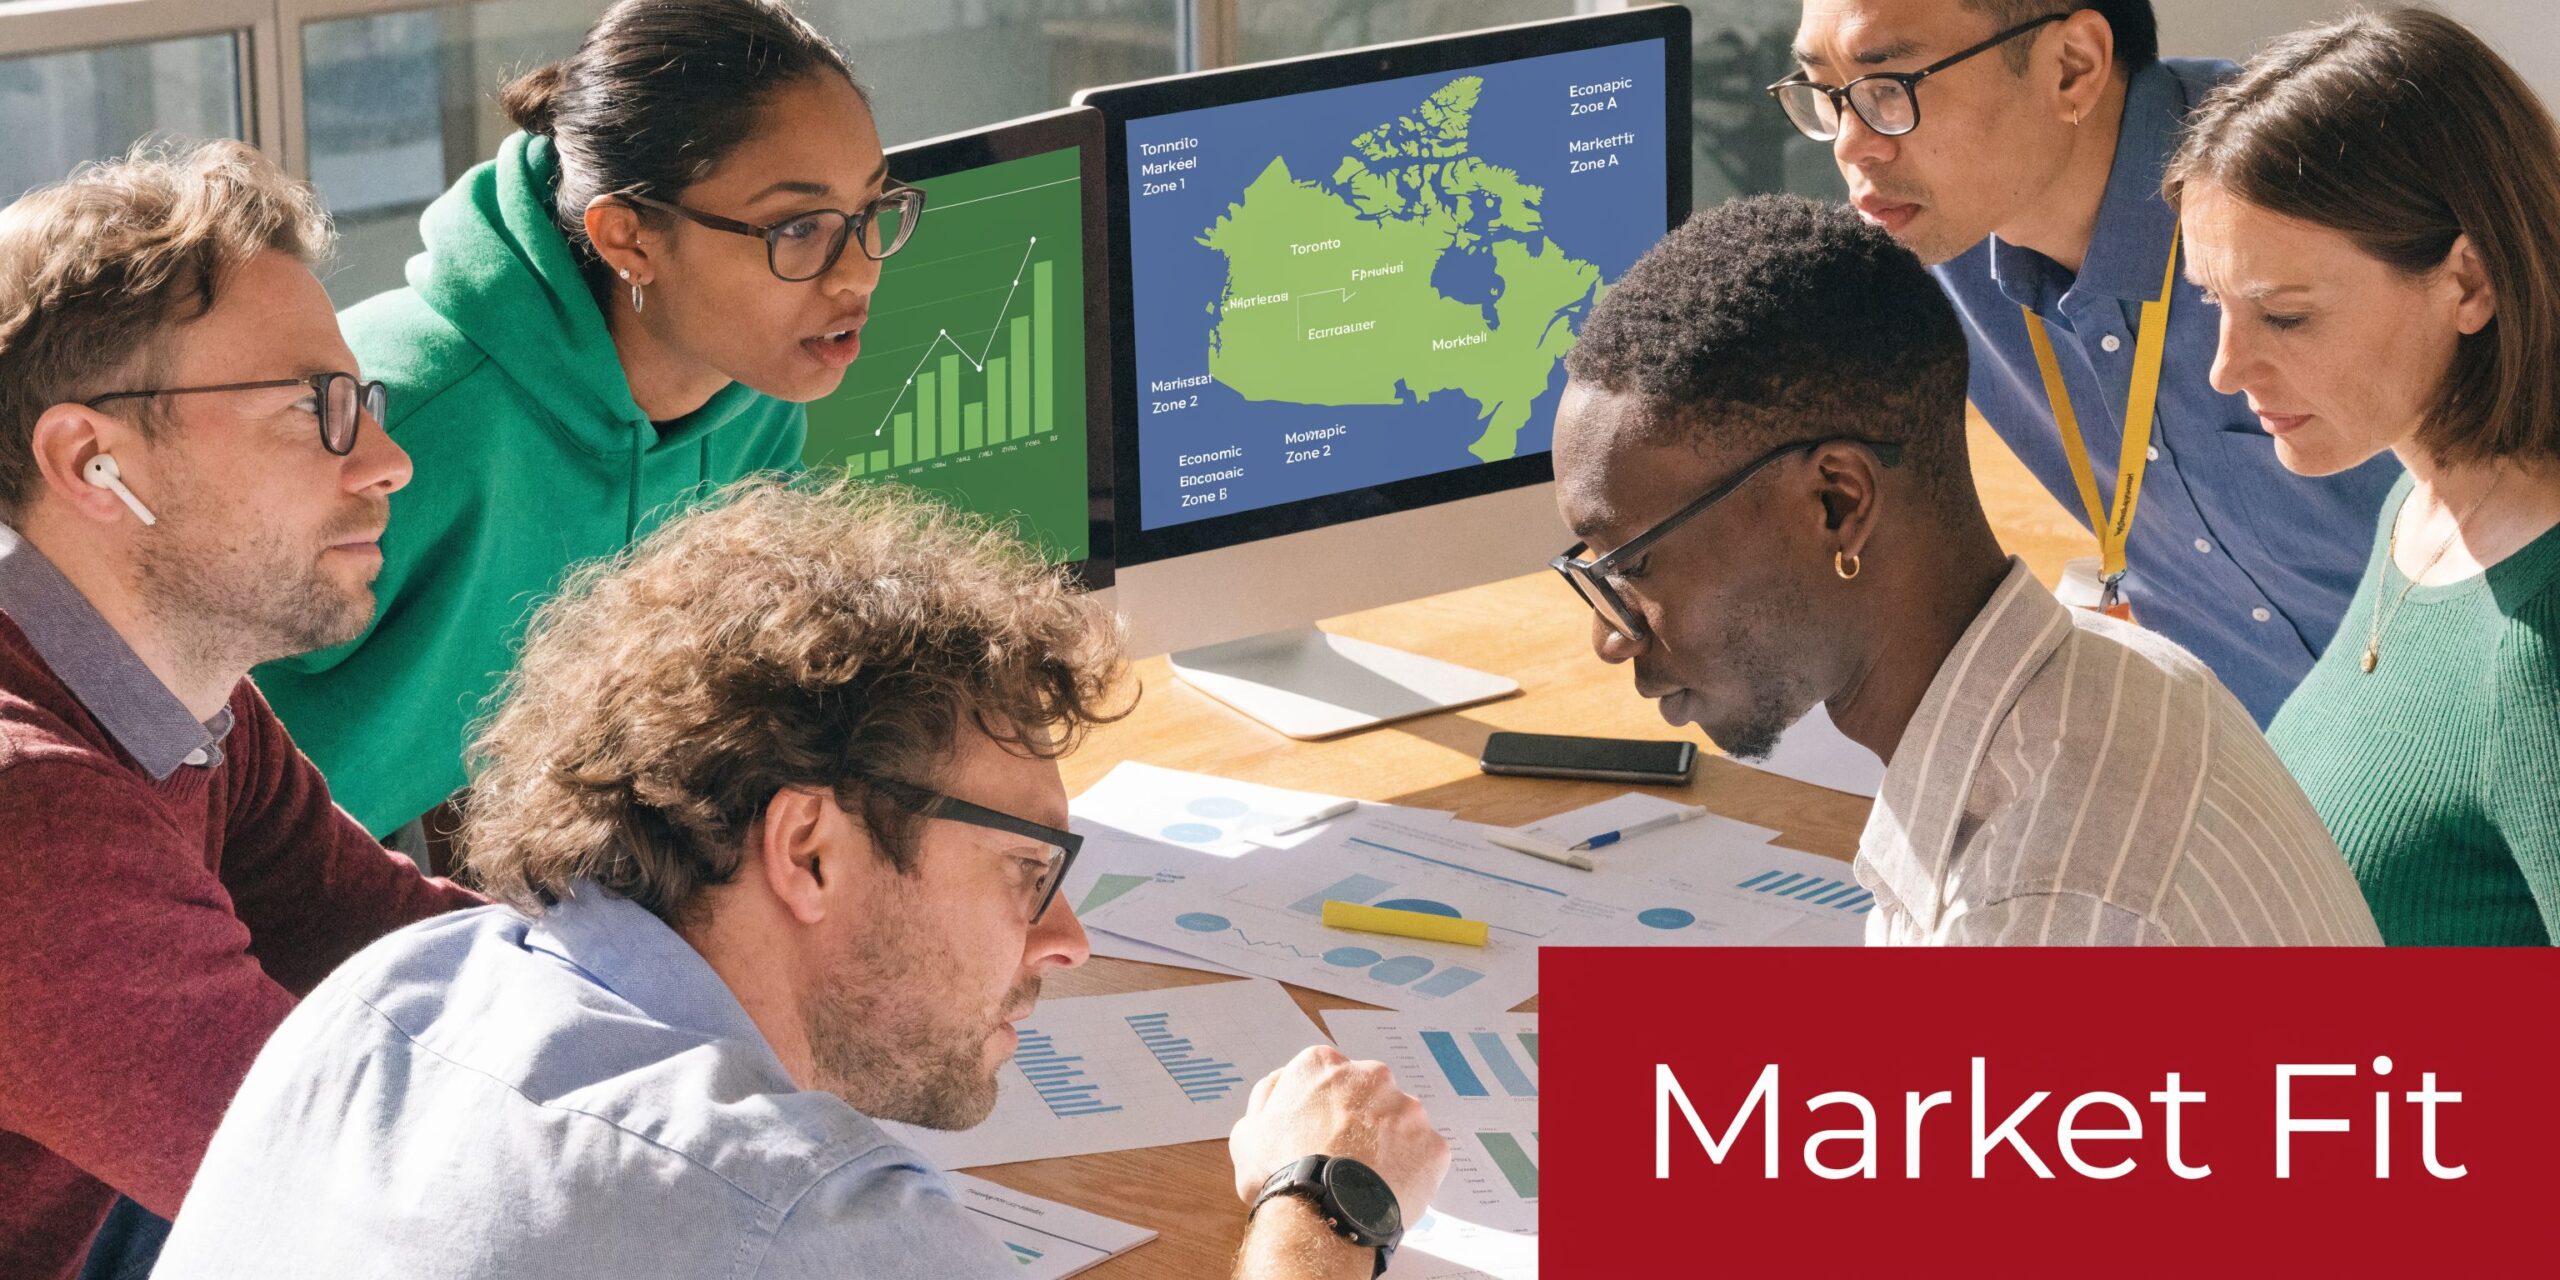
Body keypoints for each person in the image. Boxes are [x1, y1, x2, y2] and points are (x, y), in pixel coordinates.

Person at [154, 478, 1451, 1279]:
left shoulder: (385, 994)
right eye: (1024, 871)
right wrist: (1324, 1206)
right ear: (810, 852)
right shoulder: (808, 1221)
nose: (1064, 941)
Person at [1548, 194, 2379, 946]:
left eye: (1632, 563)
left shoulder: (2045, 909)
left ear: (1837, 504)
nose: (1609, 637)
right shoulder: (2125, 675)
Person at [252, 0, 912, 847]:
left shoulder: (758, 401)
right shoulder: (398, 415)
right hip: (256, 899)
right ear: (628, 238)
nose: (858, 271)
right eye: (796, 227)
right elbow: (169, 725)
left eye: (871, 209)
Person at [0, 142, 482, 1280]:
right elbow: (343, 1206)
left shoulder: (181, 699)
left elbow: (409, 951)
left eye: (359, 402)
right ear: (91, 460)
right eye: (314, 410)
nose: (390, 461)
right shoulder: (30, 813)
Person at [1774, 0, 2398, 725]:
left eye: (1891, 89)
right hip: (2247, 759)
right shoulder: (1930, 238)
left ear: (2072, 68)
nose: (1852, 147)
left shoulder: (2332, 184)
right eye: (1828, 95)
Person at [2168, 9, 2560, 945]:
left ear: (2469, 283)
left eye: (2287, 316)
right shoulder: (2413, 513)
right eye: (2212, 303)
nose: (2225, 370)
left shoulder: (2538, 643)